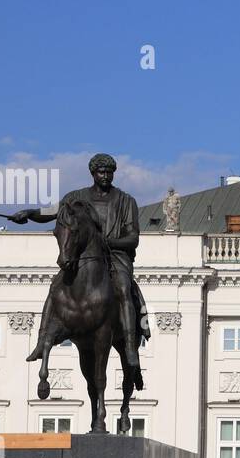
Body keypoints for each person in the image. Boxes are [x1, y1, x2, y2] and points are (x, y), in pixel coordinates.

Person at [11, 153, 150, 382]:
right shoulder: (76, 198)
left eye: (109, 172)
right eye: (100, 172)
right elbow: (49, 213)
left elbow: (133, 238)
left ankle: (130, 347)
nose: (105, 176)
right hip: (83, 256)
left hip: (115, 256)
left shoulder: (126, 201)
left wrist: (108, 242)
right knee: (56, 285)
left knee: (124, 287)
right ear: (92, 173)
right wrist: (28, 213)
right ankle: (41, 340)